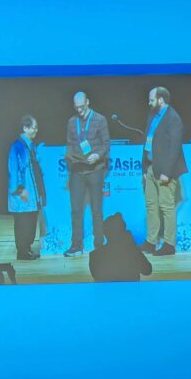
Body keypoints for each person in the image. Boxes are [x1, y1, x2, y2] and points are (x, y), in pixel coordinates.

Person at [140, 86, 187, 257]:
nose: (149, 102)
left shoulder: (173, 118)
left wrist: (167, 172)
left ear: (161, 100)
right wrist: (145, 167)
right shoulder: (153, 115)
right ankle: (150, 241)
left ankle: (169, 244)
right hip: (152, 168)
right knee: (151, 205)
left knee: (166, 207)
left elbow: (174, 148)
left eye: (152, 99)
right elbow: (147, 141)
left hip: (165, 171)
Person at [64, 91, 110, 257]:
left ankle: (99, 245)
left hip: (95, 170)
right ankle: (76, 245)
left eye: (82, 107)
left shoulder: (100, 119)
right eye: (77, 108)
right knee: (76, 210)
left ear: (88, 103)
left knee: (96, 210)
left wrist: (97, 155)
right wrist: (67, 154)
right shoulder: (71, 122)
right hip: (77, 170)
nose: (79, 111)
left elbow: (106, 144)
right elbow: (69, 143)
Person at [7, 115, 46, 260]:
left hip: (31, 193)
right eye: (33, 127)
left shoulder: (30, 146)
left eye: (36, 127)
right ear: (25, 128)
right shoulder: (16, 147)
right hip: (22, 194)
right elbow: (13, 170)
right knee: (22, 222)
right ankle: (22, 251)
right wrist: (20, 190)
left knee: (30, 221)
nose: (36, 130)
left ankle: (27, 249)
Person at [89, 213, 153, 282]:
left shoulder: (94, 256)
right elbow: (147, 270)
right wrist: (133, 246)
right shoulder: (132, 253)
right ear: (124, 232)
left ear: (105, 233)